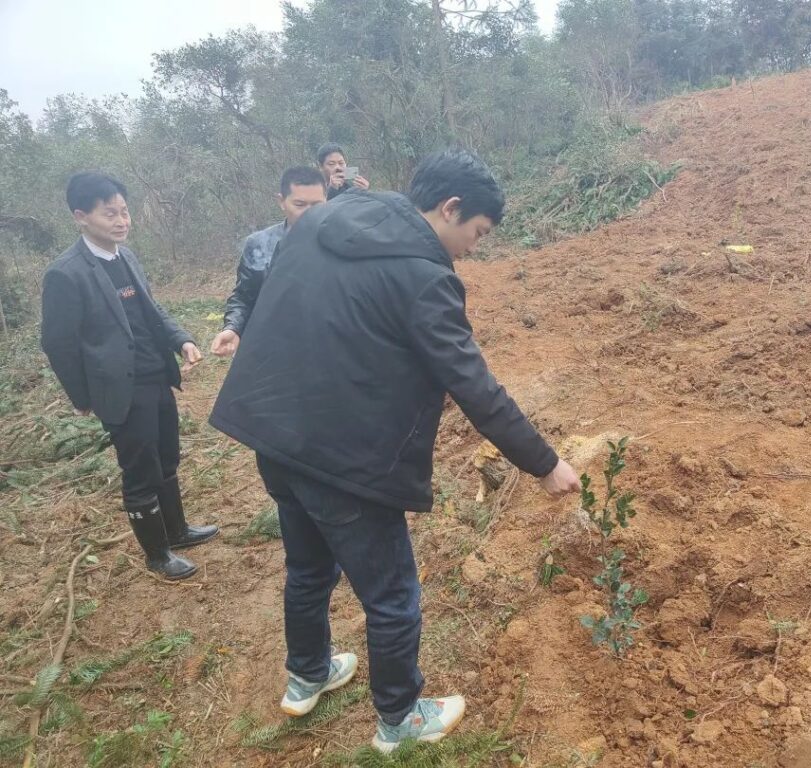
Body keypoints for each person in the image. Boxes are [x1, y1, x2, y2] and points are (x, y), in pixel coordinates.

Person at [209, 149, 581, 751]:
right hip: (344, 461)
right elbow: (472, 382)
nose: (475, 248)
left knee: (307, 567)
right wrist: (544, 463)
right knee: (392, 597)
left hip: (273, 432)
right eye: (477, 233)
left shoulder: (327, 219)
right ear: (450, 207)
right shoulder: (424, 277)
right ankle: (399, 719)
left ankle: (307, 675)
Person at [40, 171, 218, 581]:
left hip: (156, 377)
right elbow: (58, 343)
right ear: (81, 216)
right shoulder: (66, 274)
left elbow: (153, 312)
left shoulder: (126, 257)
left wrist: (182, 340)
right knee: (140, 469)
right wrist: (82, 397)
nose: (121, 221)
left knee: (167, 458)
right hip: (120, 388)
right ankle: (157, 555)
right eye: (110, 214)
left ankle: (177, 531)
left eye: (124, 211)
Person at [210, 166, 327, 358]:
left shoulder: (342, 243)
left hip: (327, 351)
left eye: (317, 205)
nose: (309, 213)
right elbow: (244, 297)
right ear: (282, 201)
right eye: (300, 204)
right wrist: (233, 328)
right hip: (274, 351)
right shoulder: (259, 244)